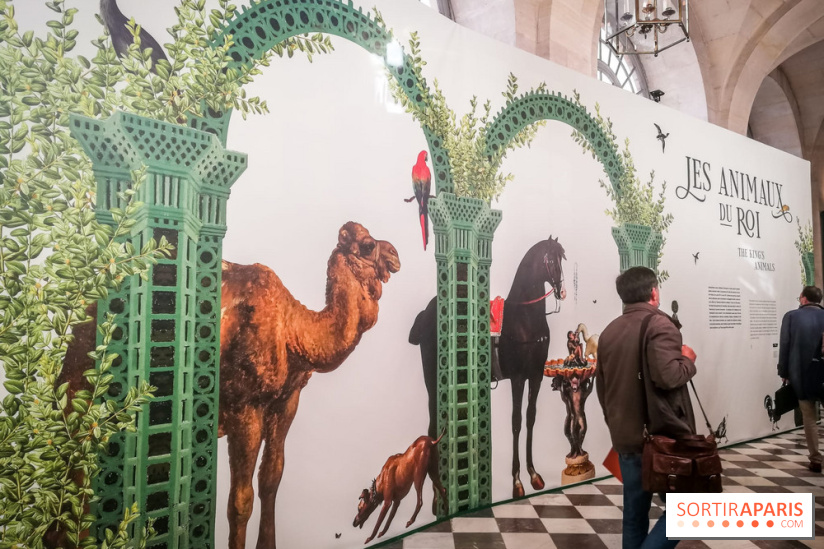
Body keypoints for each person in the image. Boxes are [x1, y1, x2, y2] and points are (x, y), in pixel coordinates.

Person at [596, 266, 697, 549]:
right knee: (686, 511)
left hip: (626, 438)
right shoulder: (661, 325)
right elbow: (668, 376)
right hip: (662, 437)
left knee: (634, 514)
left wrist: (616, 424)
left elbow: (602, 390)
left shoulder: (608, 332)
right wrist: (687, 359)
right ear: (654, 292)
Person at [778, 285, 824, 473]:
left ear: (803, 298)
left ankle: (815, 460)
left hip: (802, 375)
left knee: (809, 418)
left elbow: (785, 345)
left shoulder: (791, 317)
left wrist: (783, 371)